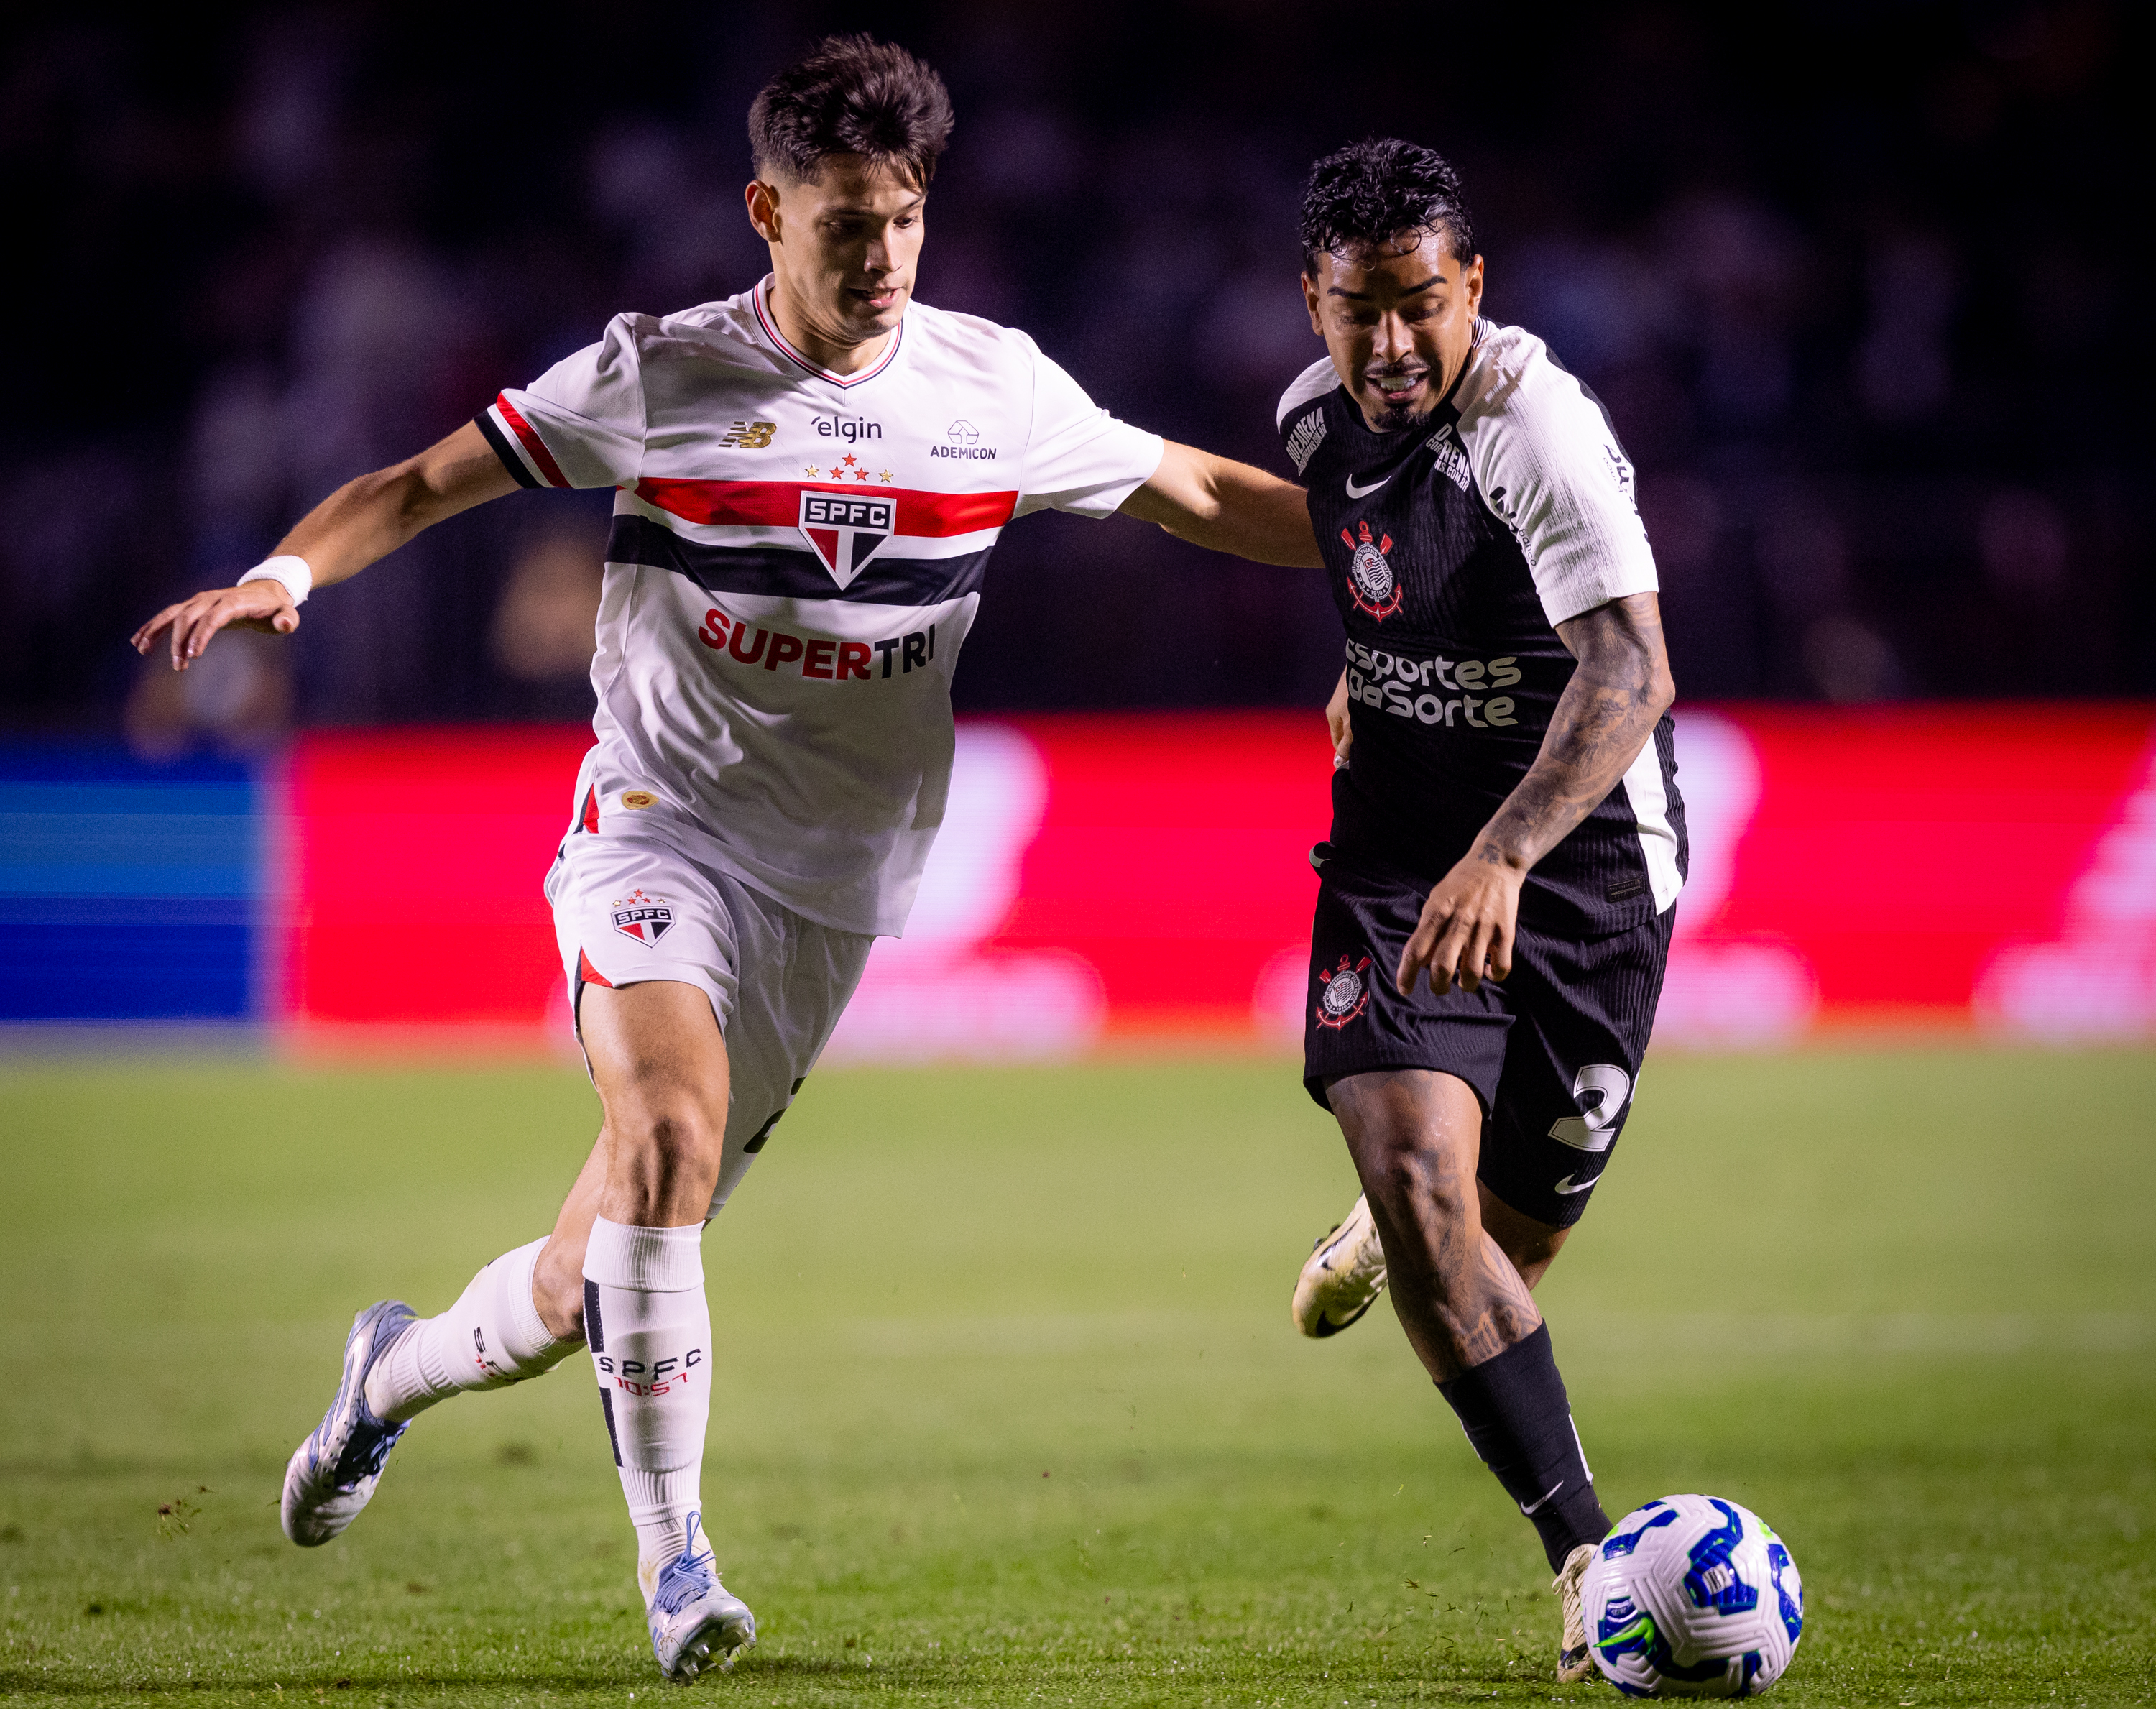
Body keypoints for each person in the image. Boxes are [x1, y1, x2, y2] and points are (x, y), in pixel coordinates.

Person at [132, 35, 1319, 1685]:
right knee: (670, 1133)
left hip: (830, 893)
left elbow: (1193, 487)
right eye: (845, 221)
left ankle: (391, 1372)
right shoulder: (657, 375)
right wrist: (286, 577)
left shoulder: (992, 389)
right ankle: (678, 1562)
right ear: (767, 211)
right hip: (657, 832)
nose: (883, 255)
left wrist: (1394, 549)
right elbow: (417, 484)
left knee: (587, 1274)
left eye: (905, 217)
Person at [1271, 137, 1684, 1683]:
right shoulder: (1314, 421)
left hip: (1577, 869)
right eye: (1359, 306)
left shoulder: (1537, 427)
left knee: (1512, 1240)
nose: (1392, 346)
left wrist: (1503, 857)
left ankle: (1403, 1223)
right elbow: (1383, 579)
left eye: (1423, 306)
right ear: (1310, 299)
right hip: (1395, 856)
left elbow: (1632, 673)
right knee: (1435, 1212)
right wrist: (1366, 683)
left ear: (1476, 291)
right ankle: (1590, 1558)